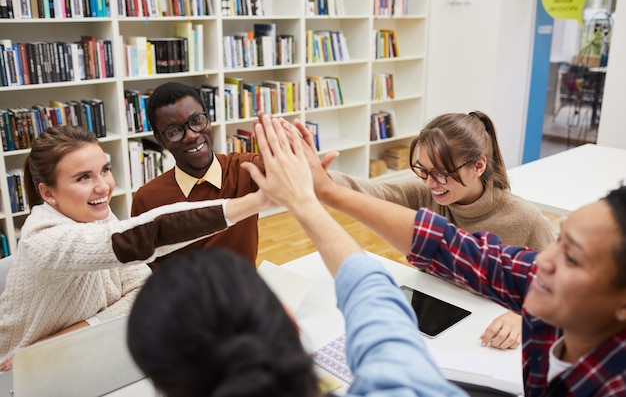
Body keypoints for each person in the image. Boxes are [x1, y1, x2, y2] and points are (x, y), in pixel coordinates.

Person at [127, 113, 467, 397]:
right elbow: (375, 300)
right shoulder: (393, 384)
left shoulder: (238, 167)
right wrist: (309, 200)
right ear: (291, 322)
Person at [294, 118, 626, 395]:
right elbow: (449, 246)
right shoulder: (546, 298)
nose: (543, 262)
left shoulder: (609, 383)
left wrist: (518, 314)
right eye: (559, 239)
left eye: (572, 258)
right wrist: (323, 188)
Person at [0, 126, 272, 370]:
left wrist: (79, 330)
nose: (103, 186)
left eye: (105, 170)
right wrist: (254, 202)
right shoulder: (42, 240)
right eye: (83, 178)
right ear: (48, 193)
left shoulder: (98, 216)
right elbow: (146, 235)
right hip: (19, 370)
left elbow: (140, 286)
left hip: (80, 353)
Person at [296, 111, 556, 350]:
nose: (431, 183)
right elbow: (373, 193)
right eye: (423, 170)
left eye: (442, 174)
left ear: (478, 166)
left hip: (484, 337)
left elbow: (560, 290)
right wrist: (320, 178)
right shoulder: (425, 192)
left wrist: (522, 316)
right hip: (431, 320)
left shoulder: (526, 219)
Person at [131, 82, 264, 268]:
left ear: (208, 119)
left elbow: (296, 181)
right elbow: (146, 272)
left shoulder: (247, 169)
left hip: (244, 290)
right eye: (174, 131)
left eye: (196, 121)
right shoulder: (147, 199)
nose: (191, 136)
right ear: (160, 139)